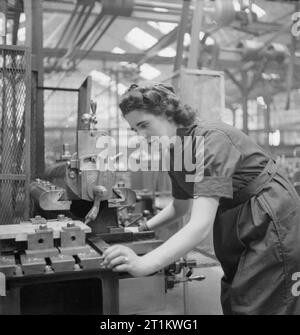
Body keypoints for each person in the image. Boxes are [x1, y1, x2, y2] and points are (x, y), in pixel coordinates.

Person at [101, 83, 300, 315]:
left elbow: (199, 226)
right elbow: (179, 207)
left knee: (262, 301)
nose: (141, 135)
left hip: (269, 214)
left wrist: (144, 264)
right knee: (236, 294)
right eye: (135, 129)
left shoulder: (211, 142)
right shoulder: (175, 151)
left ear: (167, 113)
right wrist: (139, 229)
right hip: (236, 218)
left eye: (144, 125)